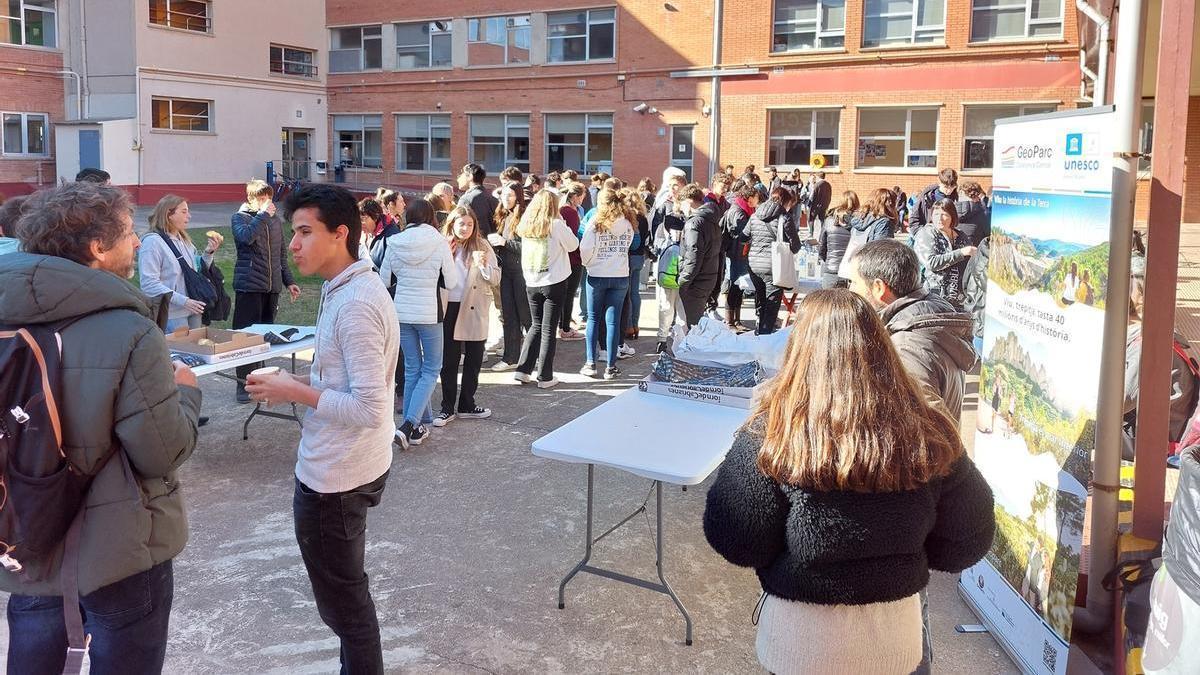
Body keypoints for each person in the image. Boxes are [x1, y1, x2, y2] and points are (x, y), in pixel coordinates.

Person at [702, 289, 995, 675]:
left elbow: (738, 538)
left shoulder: (772, 434)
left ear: (799, 351)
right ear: (882, 346)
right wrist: (906, 552)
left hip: (800, 643)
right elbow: (967, 539)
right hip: (896, 641)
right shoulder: (928, 431)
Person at [1, 181, 201, 673]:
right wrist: (188, 392)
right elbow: (161, 451)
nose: (136, 243)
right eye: (129, 233)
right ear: (96, 247)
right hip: (120, 547)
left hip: (26, 533)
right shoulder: (129, 330)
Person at [243, 183, 397, 675]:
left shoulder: (356, 303)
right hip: (347, 466)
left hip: (337, 481)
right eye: (294, 232)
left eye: (305, 232)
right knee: (346, 604)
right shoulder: (346, 287)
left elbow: (372, 407)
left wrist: (295, 390)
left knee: (347, 612)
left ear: (341, 235)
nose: (293, 244)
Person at [846, 239, 978, 420]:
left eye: (853, 282)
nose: (850, 290)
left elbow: (933, 429)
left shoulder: (906, 348)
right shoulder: (929, 312)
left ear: (878, 287)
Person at [380, 198, 460, 450]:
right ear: (431, 217)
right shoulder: (439, 242)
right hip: (429, 312)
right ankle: (408, 424)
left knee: (413, 368)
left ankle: (416, 426)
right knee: (431, 368)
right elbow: (451, 281)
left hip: (401, 311)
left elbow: (384, 279)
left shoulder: (395, 241)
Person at [231, 179, 301, 403]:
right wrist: (261, 215)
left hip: (271, 287)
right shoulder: (240, 218)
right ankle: (243, 385)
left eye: (268, 198)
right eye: (262, 198)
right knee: (246, 338)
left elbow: (280, 255)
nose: (267, 202)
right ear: (251, 199)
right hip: (250, 285)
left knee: (264, 339)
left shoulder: (274, 221)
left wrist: (289, 281)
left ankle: (260, 382)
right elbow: (245, 238)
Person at [436, 207, 500, 426]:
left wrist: (483, 266)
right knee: (449, 360)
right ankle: (447, 407)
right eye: (461, 224)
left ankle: (467, 404)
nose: (465, 228)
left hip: (474, 305)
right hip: (449, 306)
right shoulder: (443, 244)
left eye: (469, 224)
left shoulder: (482, 246)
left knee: (474, 358)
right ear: (452, 224)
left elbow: (495, 278)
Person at [516, 190, 579, 388]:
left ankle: (523, 370)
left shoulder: (526, 225)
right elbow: (572, 245)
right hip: (554, 281)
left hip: (532, 280)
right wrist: (562, 222)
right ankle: (544, 376)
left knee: (535, 326)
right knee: (548, 329)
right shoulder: (556, 224)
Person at [139, 194, 223, 332]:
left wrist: (208, 254)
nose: (189, 216)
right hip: (172, 315)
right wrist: (183, 301)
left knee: (195, 351)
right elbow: (149, 284)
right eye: (184, 211)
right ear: (168, 214)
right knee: (178, 353)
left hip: (194, 309)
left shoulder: (184, 240)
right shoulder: (152, 243)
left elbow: (194, 272)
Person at [580, 189, 634, 380]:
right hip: (620, 275)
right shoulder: (627, 223)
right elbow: (628, 246)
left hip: (597, 273)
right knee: (613, 321)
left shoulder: (596, 223)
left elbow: (585, 248)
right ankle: (611, 367)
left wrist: (589, 263)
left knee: (593, 319)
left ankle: (590, 363)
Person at [746, 186, 801, 335]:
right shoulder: (784, 218)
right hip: (773, 267)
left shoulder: (755, 214)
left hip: (753, 264)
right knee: (771, 306)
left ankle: (759, 332)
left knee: (761, 300)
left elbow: (744, 236)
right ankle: (764, 338)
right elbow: (796, 246)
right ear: (785, 202)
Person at [488, 185, 531, 371]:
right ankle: (510, 357)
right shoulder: (503, 215)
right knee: (509, 315)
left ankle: (533, 355)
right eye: (504, 195)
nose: (506, 198)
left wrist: (504, 242)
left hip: (521, 272)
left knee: (526, 315)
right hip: (505, 271)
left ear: (518, 196)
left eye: (511, 195)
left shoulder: (524, 217)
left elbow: (528, 247)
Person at [913, 198, 976, 308]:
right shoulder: (927, 233)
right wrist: (961, 253)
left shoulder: (961, 236)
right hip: (934, 297)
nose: (939, 218)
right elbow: (931, 263)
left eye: (944, 214)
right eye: (936, 214)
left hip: (960, 299)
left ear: (952, 216)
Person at [676, 182, 722, 327]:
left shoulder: (694, 223)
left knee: (691, 326)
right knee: (696, 322)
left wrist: (683, 281)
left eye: (681, 204)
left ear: (689, 201)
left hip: (696, 281)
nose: (681, 209)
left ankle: (691, 349)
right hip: (709, 277)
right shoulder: (712, 218)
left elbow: (693, 255)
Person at [720, 180, 758, 331]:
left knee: (740, 287)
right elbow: (741, 234)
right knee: (734, 286)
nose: (757, 201)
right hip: (735, 254)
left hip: (741, 253)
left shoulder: (745, 210)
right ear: (749, 198)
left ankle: (736, 320)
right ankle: (730, 321)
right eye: (755, 197)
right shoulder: (738, 211)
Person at [620, 186, 651, 341]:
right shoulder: (643, 217)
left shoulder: (628, 217)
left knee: (627, 294)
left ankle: (628, 327)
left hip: (629, 257)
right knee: (635, 293)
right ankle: (636, 325)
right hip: (639, 257)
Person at [557, 182, 586, 341]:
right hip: (573, 258)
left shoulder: (561, 210)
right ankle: (565, 328)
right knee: (569, 295)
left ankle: (562, 325)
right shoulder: (571, 212)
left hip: (562, 258)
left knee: (563, 294)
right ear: (575, 196)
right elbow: (574, 237)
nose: (583, 199)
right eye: (582, 196)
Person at [818, 190, 857, 289]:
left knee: (828, 304)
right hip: (850, 273)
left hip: (831, 271)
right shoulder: (859, 224)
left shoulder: (829, 221)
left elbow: (821, 247)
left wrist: (827, 260)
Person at [457, 163, 499, 237]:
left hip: (474, 243)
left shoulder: (466, 199)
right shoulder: (493, 199)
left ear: (470, 176)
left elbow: (458, 224)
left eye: (461, 175)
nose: (458, 179)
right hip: (492, 244)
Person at [955, 181, 990, 246]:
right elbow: (989, 234)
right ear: (977, 197)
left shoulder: (950, 212)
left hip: (955, 253)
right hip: (975, 252)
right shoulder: (982, 213)